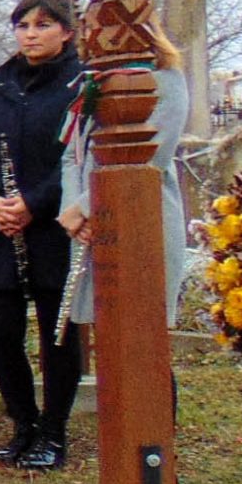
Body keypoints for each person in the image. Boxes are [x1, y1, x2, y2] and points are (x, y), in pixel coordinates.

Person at [0, 0, 87, 470]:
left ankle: (54, 432)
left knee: (58, 334)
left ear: (67, 32)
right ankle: (23, 424)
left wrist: (32, 203)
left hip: (52, 224)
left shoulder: (79, 82)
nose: (30, 35)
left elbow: (76, 157)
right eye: (23, 26)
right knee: (0, 332)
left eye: (42, 25)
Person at [58, 22, 193, 335]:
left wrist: (88, 206)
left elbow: (153, 155)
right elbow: (71, 153)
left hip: (143, 213)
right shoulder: (92, 84)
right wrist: (73, 212)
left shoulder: (166, 78)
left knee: (143, 333)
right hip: (89, 226)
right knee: (106, 328)